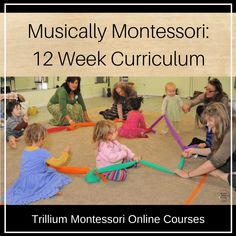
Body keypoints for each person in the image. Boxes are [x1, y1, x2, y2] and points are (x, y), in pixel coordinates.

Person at [5, 123, 72, 205]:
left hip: (25, 180)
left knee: (50, 170)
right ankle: (50, 191)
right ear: (40, 139)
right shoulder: (42, 152)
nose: (44, 141)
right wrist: (66, 152)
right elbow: (57, 163)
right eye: (44, 139)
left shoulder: (25, 150)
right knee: (56, 176)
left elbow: (35, 163)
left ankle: (48, 190)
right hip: (36, 180)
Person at [175, 103, 236, 190]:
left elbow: (217, 161)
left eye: (210, 121)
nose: (207, 124)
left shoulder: (232, 132)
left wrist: (188, 174)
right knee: (211, 157)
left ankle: (222, 175)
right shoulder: (223, 126)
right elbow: (213, 149)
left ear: (220, 119)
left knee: (213, 162)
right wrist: (193, 150)